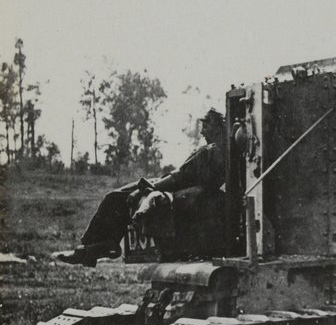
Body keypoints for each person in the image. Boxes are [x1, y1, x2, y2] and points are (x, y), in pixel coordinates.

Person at [52, 109, 227, 266]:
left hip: (169, 186)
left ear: (217, 127)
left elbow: (179, 177)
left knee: (114, 198)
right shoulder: (219, 151)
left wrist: (147, 188)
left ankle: (95, 247)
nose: (203, 131)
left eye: (207, 125)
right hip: (172, 185)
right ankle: (95, 247)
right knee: (115, 197)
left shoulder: (211, 152)